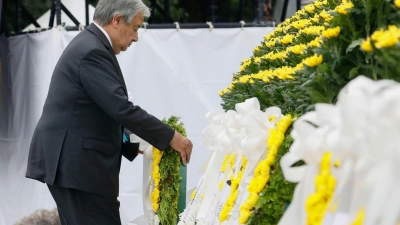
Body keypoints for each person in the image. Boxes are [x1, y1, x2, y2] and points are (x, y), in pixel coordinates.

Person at [25, 0, 193, 224]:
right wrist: (171, 137)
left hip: (75, 166)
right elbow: (120, 108)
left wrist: (134, 145)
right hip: (77, 168)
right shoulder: (92, 51)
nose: (136, 37)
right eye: (135, 28)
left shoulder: (91, 45)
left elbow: (99, 111)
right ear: (116, 20)